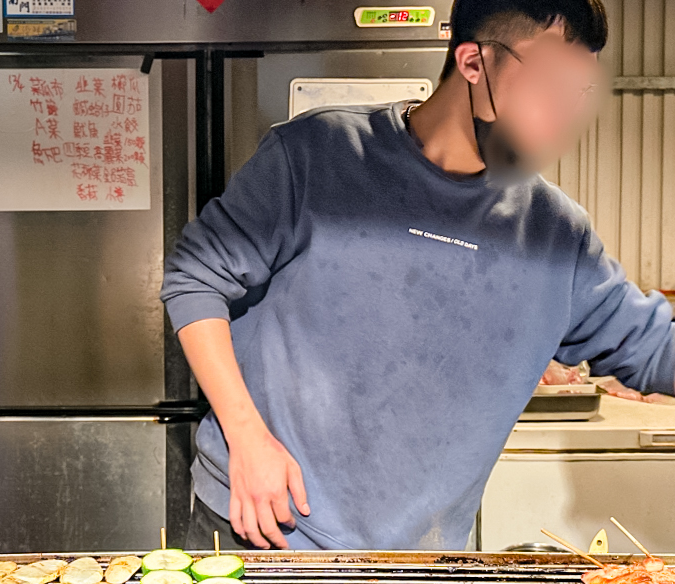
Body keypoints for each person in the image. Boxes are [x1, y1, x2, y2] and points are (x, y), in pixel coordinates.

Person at [161, 0, 675, 551]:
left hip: (418, 558)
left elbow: (652, 347)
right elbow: (195, 276)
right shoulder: (319, 154)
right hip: (264, 525)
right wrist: (246, 437)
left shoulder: (556, 235)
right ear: (474, 64)